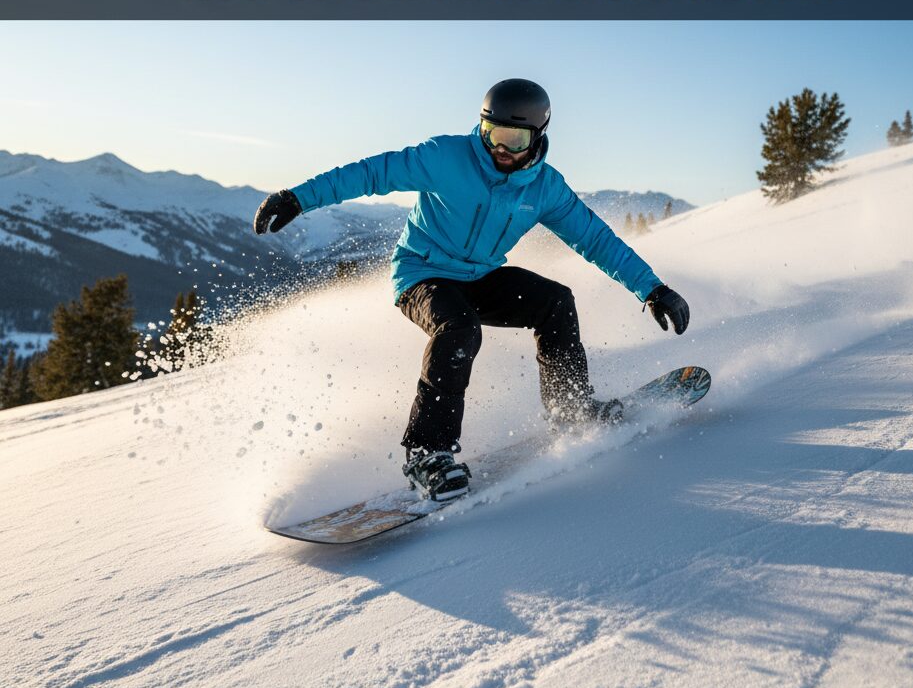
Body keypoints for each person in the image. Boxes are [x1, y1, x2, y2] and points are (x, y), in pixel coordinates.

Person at [253, 79, 689, 502]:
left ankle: (571, 413)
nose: (499, 148)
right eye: (491, 133)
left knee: (555, 301)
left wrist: (651, 289)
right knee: (458, 328)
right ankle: (428, 454)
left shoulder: (545, 188)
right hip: (422, 274)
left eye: (514, 139)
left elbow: (595, 240)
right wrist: (298, 198)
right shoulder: (446, 156)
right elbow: (371, 173)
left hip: (479, 276)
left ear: (537, 138)